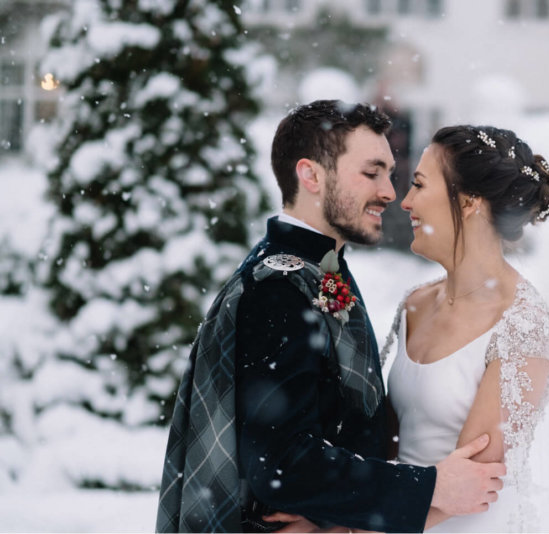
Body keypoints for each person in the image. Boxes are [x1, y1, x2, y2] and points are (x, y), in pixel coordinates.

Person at [156, 101, 505, 533]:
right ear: (311, 176)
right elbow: (281, 462)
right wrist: (429, 487)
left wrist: (332, 512)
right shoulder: (276, 288)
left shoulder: (318, 264)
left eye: (390, 174)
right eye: (371, 172)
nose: (390, 193)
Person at [380, 125, 549, 532]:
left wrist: (342, 530)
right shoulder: (414, 305)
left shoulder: (521, 326)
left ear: (469, 201)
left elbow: (472, 485)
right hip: (392, 516)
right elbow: (382, 443)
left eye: (419, 185)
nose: (406, 202)